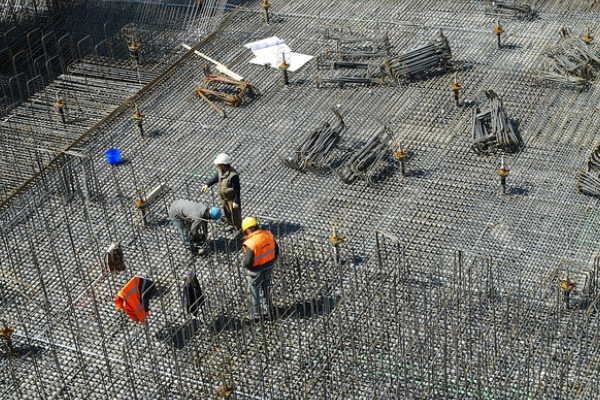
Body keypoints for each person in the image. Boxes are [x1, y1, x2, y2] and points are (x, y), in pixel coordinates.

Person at [240, 217, 278, 320]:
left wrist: (244, 264)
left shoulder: (251, 243)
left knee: (254, 292)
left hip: (255, 272)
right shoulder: (268, 235)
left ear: (248, 229)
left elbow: (247, 262)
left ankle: (256, 315)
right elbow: (276, 250)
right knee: (267, 288)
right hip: (268, 267)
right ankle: (270, 309)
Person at [201, 153, 241, 232]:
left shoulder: (233, 175)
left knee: (235, 215)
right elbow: (216, 178)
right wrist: (207, 185)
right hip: (224, 198)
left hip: (231, 198)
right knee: (227, 213)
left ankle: (238, 229)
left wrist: (236, 200)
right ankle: (231, 225)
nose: (217, 166)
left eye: (219, 164)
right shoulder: (221, 171)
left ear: (224, 164)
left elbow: (237, 189)